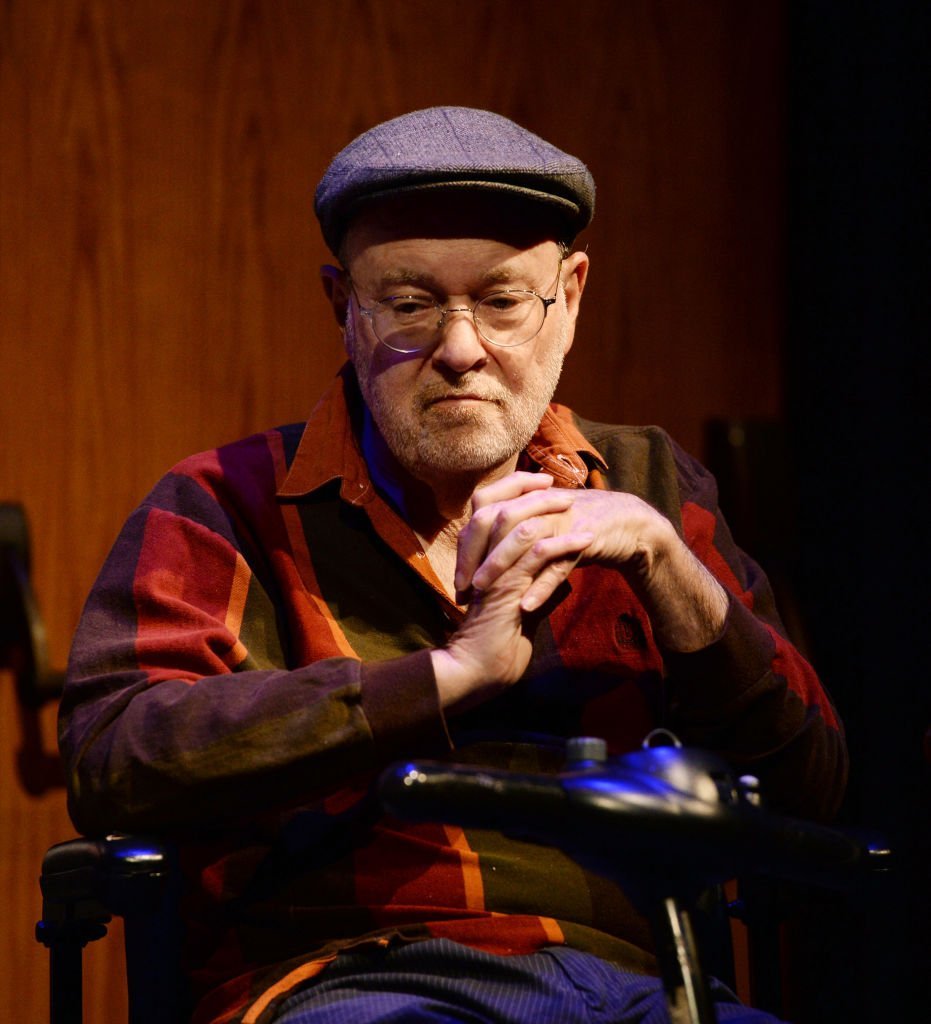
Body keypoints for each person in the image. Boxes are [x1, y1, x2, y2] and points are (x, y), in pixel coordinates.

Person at [60, 107, 847, 1024]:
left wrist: (668, 567)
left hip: (646, 986)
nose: (461, 348)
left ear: (572, 297)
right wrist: (441, 680)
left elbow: (812, 787)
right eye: (409, 303)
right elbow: (116, 757)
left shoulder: (650, 489)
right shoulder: (224, 502)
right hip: (356, 978)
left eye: (504, 301)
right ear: (342, 307)